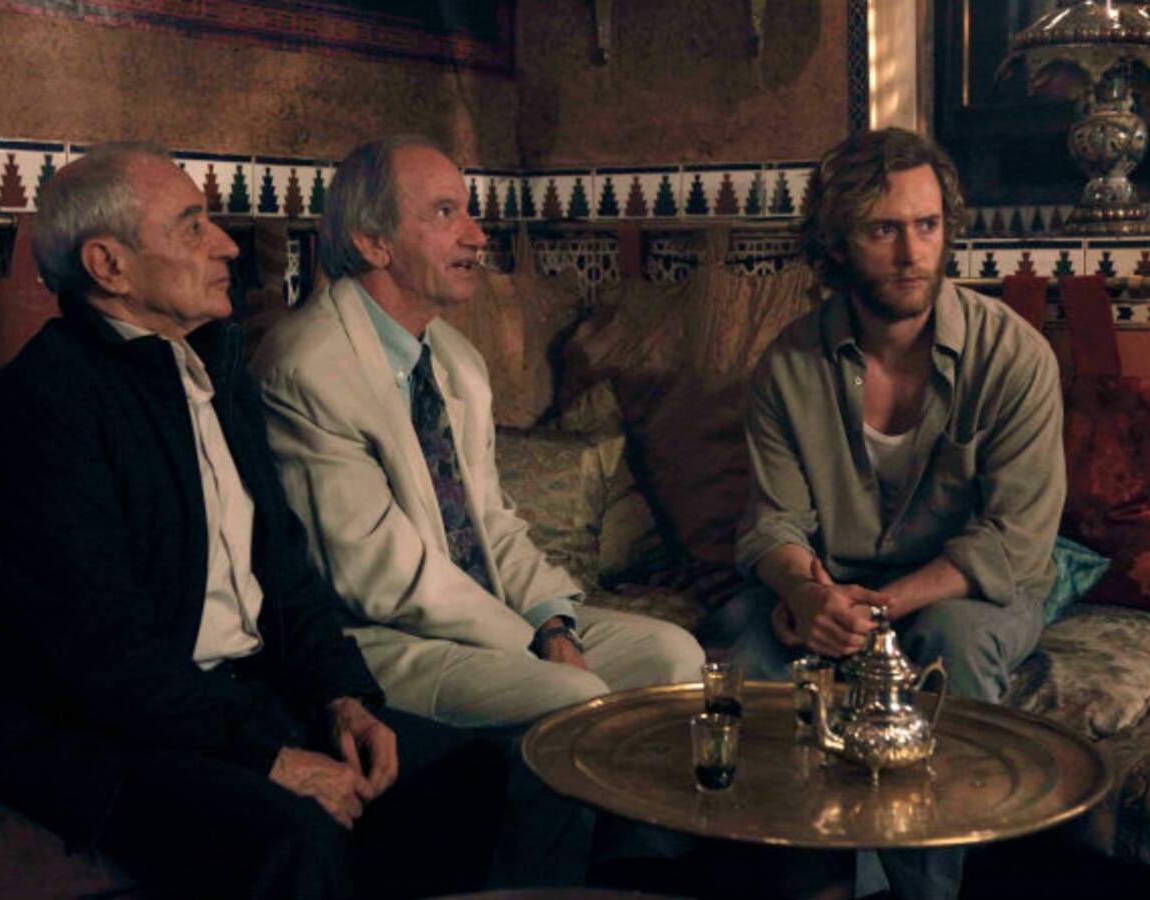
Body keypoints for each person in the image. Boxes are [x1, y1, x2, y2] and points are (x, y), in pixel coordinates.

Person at [0, 143, 593, 900]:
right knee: (300, 835)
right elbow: (104, 659)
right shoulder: (48, 405)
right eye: (192, 227)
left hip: (238, 699)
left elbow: (286, 569)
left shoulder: (213, 370)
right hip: (119, 737)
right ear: (108, 265)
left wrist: (345, 700)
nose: (226, 245)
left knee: (467, 775)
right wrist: (266, 753)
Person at [698, 127, 1064, 899]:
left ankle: (925, 889)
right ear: (836, 243)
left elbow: (1016, 541)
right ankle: (814, 876)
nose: (911, 253)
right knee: (745, 642)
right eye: (883, 230)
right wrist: (805, 594)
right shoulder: (788, 364)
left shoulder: (1014, 356)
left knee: (951, 645)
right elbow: (771, 523)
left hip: (968, 591)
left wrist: (880, 608)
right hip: (835, 577)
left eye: (927, 226)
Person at [251, 136, 704, 729]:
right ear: (372, 242)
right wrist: (526, 643)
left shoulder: (454, 358)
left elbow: (491, 520)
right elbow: (378, 575)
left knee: (673, 656)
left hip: (485, 616)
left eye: (468, 212)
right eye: (445, 213)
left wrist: (550, 622)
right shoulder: (307, 367)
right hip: (379, 639)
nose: (477, 236)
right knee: (568, 696)